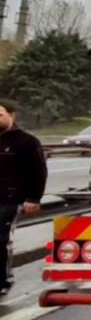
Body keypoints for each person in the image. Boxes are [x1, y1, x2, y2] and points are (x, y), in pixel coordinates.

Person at [0, 99, 48, 295]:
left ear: (11, 116)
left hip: (9, 200)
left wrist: (34, 198)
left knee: (0, 240)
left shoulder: (27, 142)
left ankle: (2, 281)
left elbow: (39, 172)